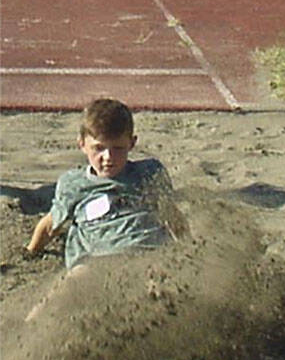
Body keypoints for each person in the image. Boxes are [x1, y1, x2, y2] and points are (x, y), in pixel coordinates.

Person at [26, 98, 187, 273]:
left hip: (145, 252)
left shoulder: (149, 172)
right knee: (76, 281)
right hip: (95, 260)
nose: (108, 157)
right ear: (82, 144)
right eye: (99, 148)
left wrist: (189, 247)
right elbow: (50, 226)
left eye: (117, 148)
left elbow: (171, 214)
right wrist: (31, 251)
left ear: (131, 143)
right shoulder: (73, 184)